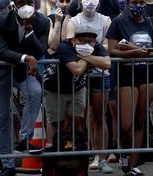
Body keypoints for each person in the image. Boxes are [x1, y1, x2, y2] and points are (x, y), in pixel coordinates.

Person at [106, 0, 153, 176]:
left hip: (148, 75)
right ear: (127, 4)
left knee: (141, 119)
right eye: (134, 3)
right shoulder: (118, 23)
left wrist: (135, 51)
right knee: (126, 124)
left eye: (141, 2)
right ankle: (124, 155)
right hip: (126, 75)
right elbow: (112, 50)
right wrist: (135, 52)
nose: (138, 5)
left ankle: (132, 164)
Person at [0, 0, 49, 176]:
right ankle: (8, 165)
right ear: (14, 5)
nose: (26, 6)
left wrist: (29, 31)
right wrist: (26, 58)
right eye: (21, 3)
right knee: (2, 119)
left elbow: (41, 49)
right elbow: (0, 51)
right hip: (1, 72)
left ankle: (24, 137)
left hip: (22, 73)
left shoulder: (42, 22)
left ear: (35, 4)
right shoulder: (1, 21)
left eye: (30, 3)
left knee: (35, 92)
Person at [64, 0, 113, 173]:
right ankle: (83, 156)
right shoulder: (73, 22)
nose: (91, 0)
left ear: (99, 0)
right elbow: (70, 47)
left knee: (99, 117)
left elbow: (109, 46)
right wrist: (95, 55)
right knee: (81, 117)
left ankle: (101, 158)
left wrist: (86, 54)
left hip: (101, 75)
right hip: (80, 74)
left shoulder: (106, 20)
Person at [43, 24, 110, 154]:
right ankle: (56, 153)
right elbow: (77, 69)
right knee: (58, 124)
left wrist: (82, 56)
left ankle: (76, 151)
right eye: (82, 40)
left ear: (95, 41)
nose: (86, 44)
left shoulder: (95, 47)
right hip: (54, 89)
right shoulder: (64, 46)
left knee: (77, 122)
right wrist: (91, 58)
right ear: (74, 40)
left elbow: (106, 63)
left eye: (90, 41)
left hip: (77, 88)